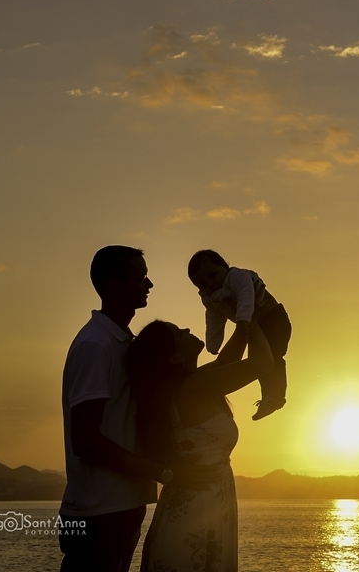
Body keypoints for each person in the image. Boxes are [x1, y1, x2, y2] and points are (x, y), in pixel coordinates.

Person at [59, 245, 216, 572]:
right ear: (113, 285)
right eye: (140, 277)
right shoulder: (94, 345)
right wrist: (164, 473)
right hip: (97, 513)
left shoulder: (125, 344)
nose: (149, 285)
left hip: (123, 506)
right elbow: (85, 440)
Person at [128, 316, 273, 572]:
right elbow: (262, 363)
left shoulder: (188, 384)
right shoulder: (194, 386)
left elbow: (227, 362)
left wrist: (239, 317)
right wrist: (250, 313)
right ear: (173, 357)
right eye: (178, 333)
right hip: (197, 514)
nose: (185, 328)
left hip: (198, 508)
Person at [187, 250, 292, 420]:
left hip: (273, 319)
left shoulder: (237, 277)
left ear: (224, 266)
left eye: (213, 275)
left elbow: (246, 297)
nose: (210, 284)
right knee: (259, 360)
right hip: (253, 325)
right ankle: (269, 397)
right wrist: (213, 344)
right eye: (203, 284)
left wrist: (243, 320)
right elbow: (214, 318)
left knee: (270, 358)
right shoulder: (211, 296)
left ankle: (275, 396)